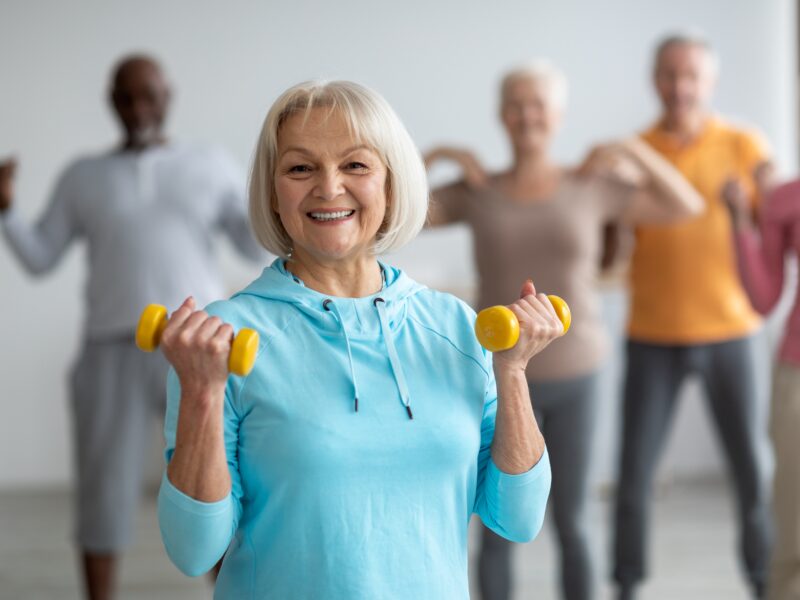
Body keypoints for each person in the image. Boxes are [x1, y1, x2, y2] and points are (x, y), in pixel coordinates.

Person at [156, 80, 556, 599]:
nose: (328, 187)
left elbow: (518, 520)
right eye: (300, 168)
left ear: (390, 185)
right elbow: (193, 551)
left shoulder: (455, 327)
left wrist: (513, 371)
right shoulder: (222, 341)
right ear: (274, 194)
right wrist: (203, 393)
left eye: (356, 165)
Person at [424, 60, 703, 600]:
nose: (528, 115)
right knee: (498, 526)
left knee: (573, 521)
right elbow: (389, 211)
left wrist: (633, 151)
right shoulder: (477, 189)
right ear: (501, 115)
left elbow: (686, 204)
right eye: (516, 104)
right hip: (496, 378)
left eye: (539, 104)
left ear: (558, 115)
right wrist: (436, 156)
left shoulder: (590, 185)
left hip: (578, 373)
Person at [0, 54, 263, 600]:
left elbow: (249, 244)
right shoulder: (83, 176)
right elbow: (39, 257)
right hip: (109, 350)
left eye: (150, 94)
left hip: (198, 347)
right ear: (112, 102)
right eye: (128, 96)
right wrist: (5, 209)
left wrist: (271, 200)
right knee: (103, 490)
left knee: (216, 482)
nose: (140, 107)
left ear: (168, 97)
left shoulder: (209, 163)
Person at [612, 33, 773, 600]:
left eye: (691, 76)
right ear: (654, 79)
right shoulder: (635, 150)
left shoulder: (744, 144)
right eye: (668, 74)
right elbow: (613, 237)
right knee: (633, 478)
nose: (679, 87)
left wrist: (743, 209)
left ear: (709, 82)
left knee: (752, 471)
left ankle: (764, 581)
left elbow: (773, 232)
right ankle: (627, 584)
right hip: (651, 334)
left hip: (731, 331)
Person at [725, 164, 800, 600]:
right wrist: (741, 220)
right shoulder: (786, 197)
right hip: (796, 378)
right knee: (793, 534)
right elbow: (762, 298)